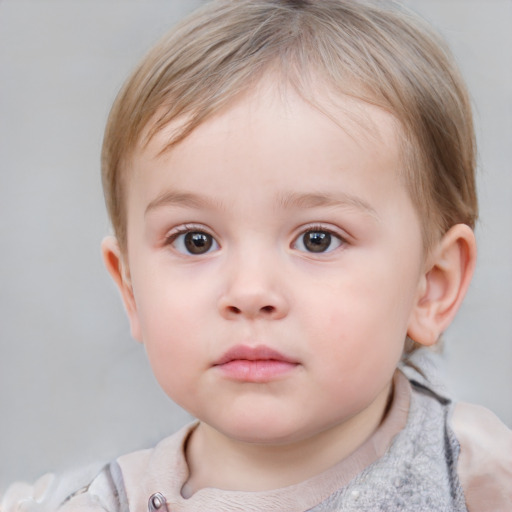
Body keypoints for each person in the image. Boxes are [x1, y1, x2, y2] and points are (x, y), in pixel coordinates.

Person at [2, 0, 511, 510]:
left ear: (432, 286)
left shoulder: (474, 476)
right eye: (195, 240)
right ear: (131, 289)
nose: (249, 292)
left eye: (317, 239)